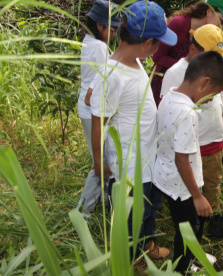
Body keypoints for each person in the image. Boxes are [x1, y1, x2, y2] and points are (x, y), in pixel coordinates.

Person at [88, 1, 177, 273]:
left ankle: (145, 245)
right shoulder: (113, 74)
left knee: (148, 209)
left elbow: (93, 96)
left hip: (147, 159)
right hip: (128, 164)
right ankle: (132, 257)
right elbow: (97, 119)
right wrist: (98, 160)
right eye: (159, 43)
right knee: (131, 216)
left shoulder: (134, 61)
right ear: (149, 43)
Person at [153, 51, 223, 273]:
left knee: (192, 222)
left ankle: (193, 255)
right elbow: (182, 160)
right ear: (204, 83)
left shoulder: (169, 96)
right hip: (182, 186)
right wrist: (197, 196)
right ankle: (181, 267)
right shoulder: (187, 113)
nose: (212, 99)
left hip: (168, 177)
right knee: (189, 227)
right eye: (214, 94)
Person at [160, 24, 223, 214]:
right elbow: (168, 110)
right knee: (192, 189)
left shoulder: (214, 75)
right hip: (190, 146)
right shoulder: (175, 73)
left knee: (213, 181)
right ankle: (193, 214)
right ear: (193, 49)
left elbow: (219, 92)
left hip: (215, 139)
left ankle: (211, 214)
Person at [76, 0, 121, 216]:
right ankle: (83, 211)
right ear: (101, 26)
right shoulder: (101, 48)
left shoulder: (88, 42)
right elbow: (99, 87)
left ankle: (103, 197)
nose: (114, 33)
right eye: (113, 29)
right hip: (93, 109)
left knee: (101, 158)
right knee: (100, 163)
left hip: (86, 109)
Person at [151, 0, 223, 105]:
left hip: (197, 89)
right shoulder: (179, 23)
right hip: (166, 84)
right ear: (209, 12)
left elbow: (218, 66)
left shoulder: (217, 34)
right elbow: (157, 56)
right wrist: (188, 67)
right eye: (222, 20)